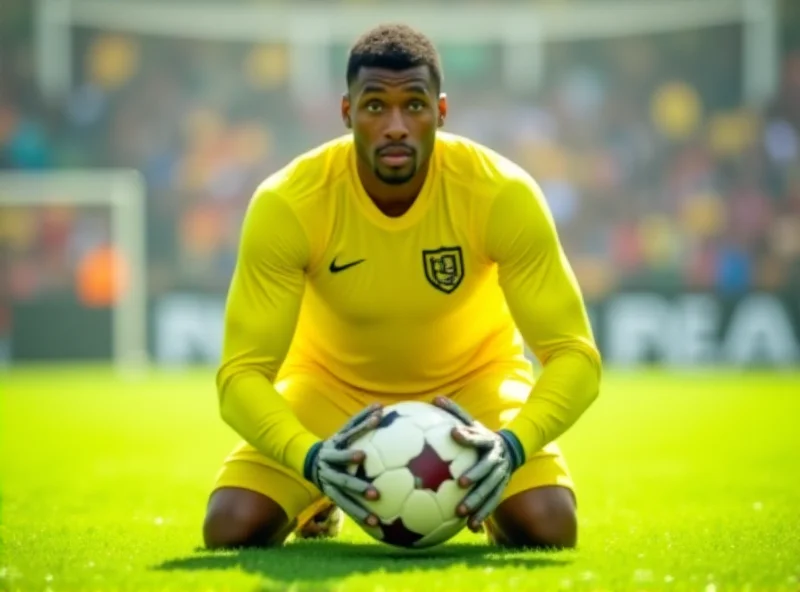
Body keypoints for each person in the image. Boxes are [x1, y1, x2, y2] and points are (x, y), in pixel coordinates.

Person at [204, 23, 602, 550]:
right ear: (347, 113)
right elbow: (239, 376)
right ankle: (321, 498)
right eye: (374, 107)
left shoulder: (501, 193)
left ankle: (489, 494)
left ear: (440, 111)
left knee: (547, 526)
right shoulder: (289, 202)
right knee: (231, 527)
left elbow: (576, 355)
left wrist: (511, 445)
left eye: (413, 106)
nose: (395, 125)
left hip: (473, 387)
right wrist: (310, 457)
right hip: (331, 391)